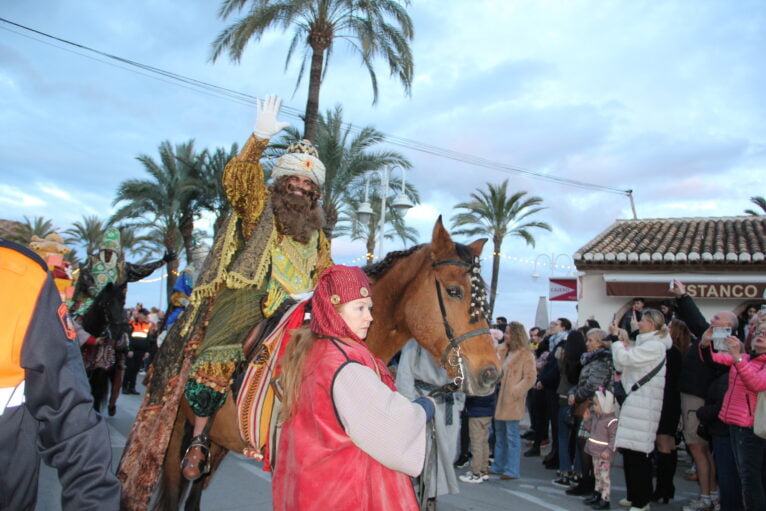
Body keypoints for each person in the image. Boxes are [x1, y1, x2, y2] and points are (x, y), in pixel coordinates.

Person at [177, 95, 333, 479]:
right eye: (293, 179)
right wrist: (257, 139)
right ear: (281, 181)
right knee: (222, 351)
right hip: (254, 296)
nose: (299, 187)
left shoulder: (319, 235)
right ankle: (199, 438)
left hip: (302, 309)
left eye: (306, 183)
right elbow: (237, 179)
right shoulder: (258, 204)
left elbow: (324, 274)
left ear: (315, 192)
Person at [271, 265, 434, 510]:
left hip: (313, 486)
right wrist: (424, 408)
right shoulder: (344, 363)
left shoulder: (313, 349)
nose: (369, 316)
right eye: (359, 308)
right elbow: (388, 424)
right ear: (333, 311)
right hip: (345, 492)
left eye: (369, 308)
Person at [0, 239, 121, 510]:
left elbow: (74, 423)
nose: (111, 253)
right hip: (84, 304)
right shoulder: (88, 269)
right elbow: (83, 290)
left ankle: (112, 398)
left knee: (118, 356)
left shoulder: (19, 277)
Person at [700, 321, 766, 511]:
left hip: (751, 427)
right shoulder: (747, 358)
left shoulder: (747, 360)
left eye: (765, 334)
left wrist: (737, 357)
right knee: (744, 477)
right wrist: (706, 344)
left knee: (750, 480)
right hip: (735, 424)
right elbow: (713, 359)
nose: (760, 335)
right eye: (759, 332)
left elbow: (756, 383)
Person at [673, 281, 726, 511]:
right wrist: (682, 297)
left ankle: (708, 496)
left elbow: (696, 320)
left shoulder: (719, 342)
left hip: (697, 398)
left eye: (717, 320)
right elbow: (697, 321)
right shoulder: (710, 339)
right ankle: (711, 494)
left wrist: (684, 296)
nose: (711, 321)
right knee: (700, 450)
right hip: (694, 397)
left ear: (727, 327)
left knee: (698, 448)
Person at [611, 308, 670, 511]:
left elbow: (626, 359)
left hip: (642, 404)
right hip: (635, 403)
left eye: (642, 321)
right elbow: (620, 364)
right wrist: (620, 346)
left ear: (652, 324)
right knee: (629, 451)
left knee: (638, 455)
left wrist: (616, 341)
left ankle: (642, 501)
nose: (637, 324)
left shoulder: (655, 346)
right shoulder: (646, 344)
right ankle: (633, 494)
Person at [396, 338, 465, 499]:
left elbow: (463, 378)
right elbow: (404, 376)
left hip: (448, 406)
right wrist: (412, 407)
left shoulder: (456, 346)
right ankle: (417, 497)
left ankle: (432, 496)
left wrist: (459, 403)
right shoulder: (415, 344)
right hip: (423, 403)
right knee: (424, 455)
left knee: (446, 454)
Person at [71, 227, 172, 316]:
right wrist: (99, 296)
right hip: (89, 302)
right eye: (105, 252)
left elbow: (142, 270)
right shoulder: (91, 262)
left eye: (110, 253)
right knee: (77, 321)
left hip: (111, 305)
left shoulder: (122, 268)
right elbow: (86, 282)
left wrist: (162, 261)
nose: (107, 255)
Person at [567, 328, 613, 498]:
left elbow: (593, 385)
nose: (587, 344)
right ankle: (588, 481)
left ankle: (593, 484)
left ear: (600, 342)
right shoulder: (592, 359)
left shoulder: (601, 360)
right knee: (584, 444)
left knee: (590, 446)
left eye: (591, 340)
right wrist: (573, 392)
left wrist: (576, 396)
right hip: (588, 406)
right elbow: (582, 382)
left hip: (595, 408)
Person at [490, 321, 536, 480]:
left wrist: (515, 391)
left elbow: (530, 378)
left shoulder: (526, 354)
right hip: (497, 396)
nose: (506, 335)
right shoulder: (501, 350)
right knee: (499, 434)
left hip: (511, 400)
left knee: (512, 436)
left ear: (516, 335)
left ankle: (512, 469)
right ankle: (498, 465)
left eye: (509, 332)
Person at [652, 318, 687, 504]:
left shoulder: (670, 352)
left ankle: (663, 488)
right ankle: (666, 487)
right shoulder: (677, 352)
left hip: (666, 400)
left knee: (663, 443)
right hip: (671, 400)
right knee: (668, 444)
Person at [582, 389, 618, 510]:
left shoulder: (611, 421)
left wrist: (608, 451)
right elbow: (590, 430)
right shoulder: (596, 417)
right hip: (595, 452)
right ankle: (597, 493)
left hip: (604, 454)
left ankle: (605, 498)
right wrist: (586, 420)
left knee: (605, 477)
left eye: (596, 404)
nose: (594, 407)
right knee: (597, 475)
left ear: (605, 405)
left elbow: (614, 439)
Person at [123, 308, 153, 395]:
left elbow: (147, 339)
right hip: (133, 351)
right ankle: (125, 387)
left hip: (141, 351)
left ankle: (132, 387)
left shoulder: (146, 325)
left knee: (135, 370)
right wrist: (129, 349)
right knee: (129, 369)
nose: (146, 317)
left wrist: (147, 351)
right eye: (145, 315)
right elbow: (128, 338)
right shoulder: (132, 324)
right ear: (140, 314)